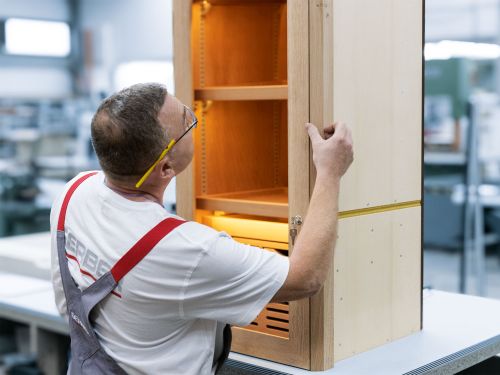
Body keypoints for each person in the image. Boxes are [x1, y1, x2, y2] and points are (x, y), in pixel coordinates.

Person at [50, 83, 353, 374]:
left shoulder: (73, 193)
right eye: (188, 121)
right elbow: (306, 277)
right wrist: (329, 172)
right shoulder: (186, 250)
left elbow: (68, 304)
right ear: (166, 168)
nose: (193, 121)